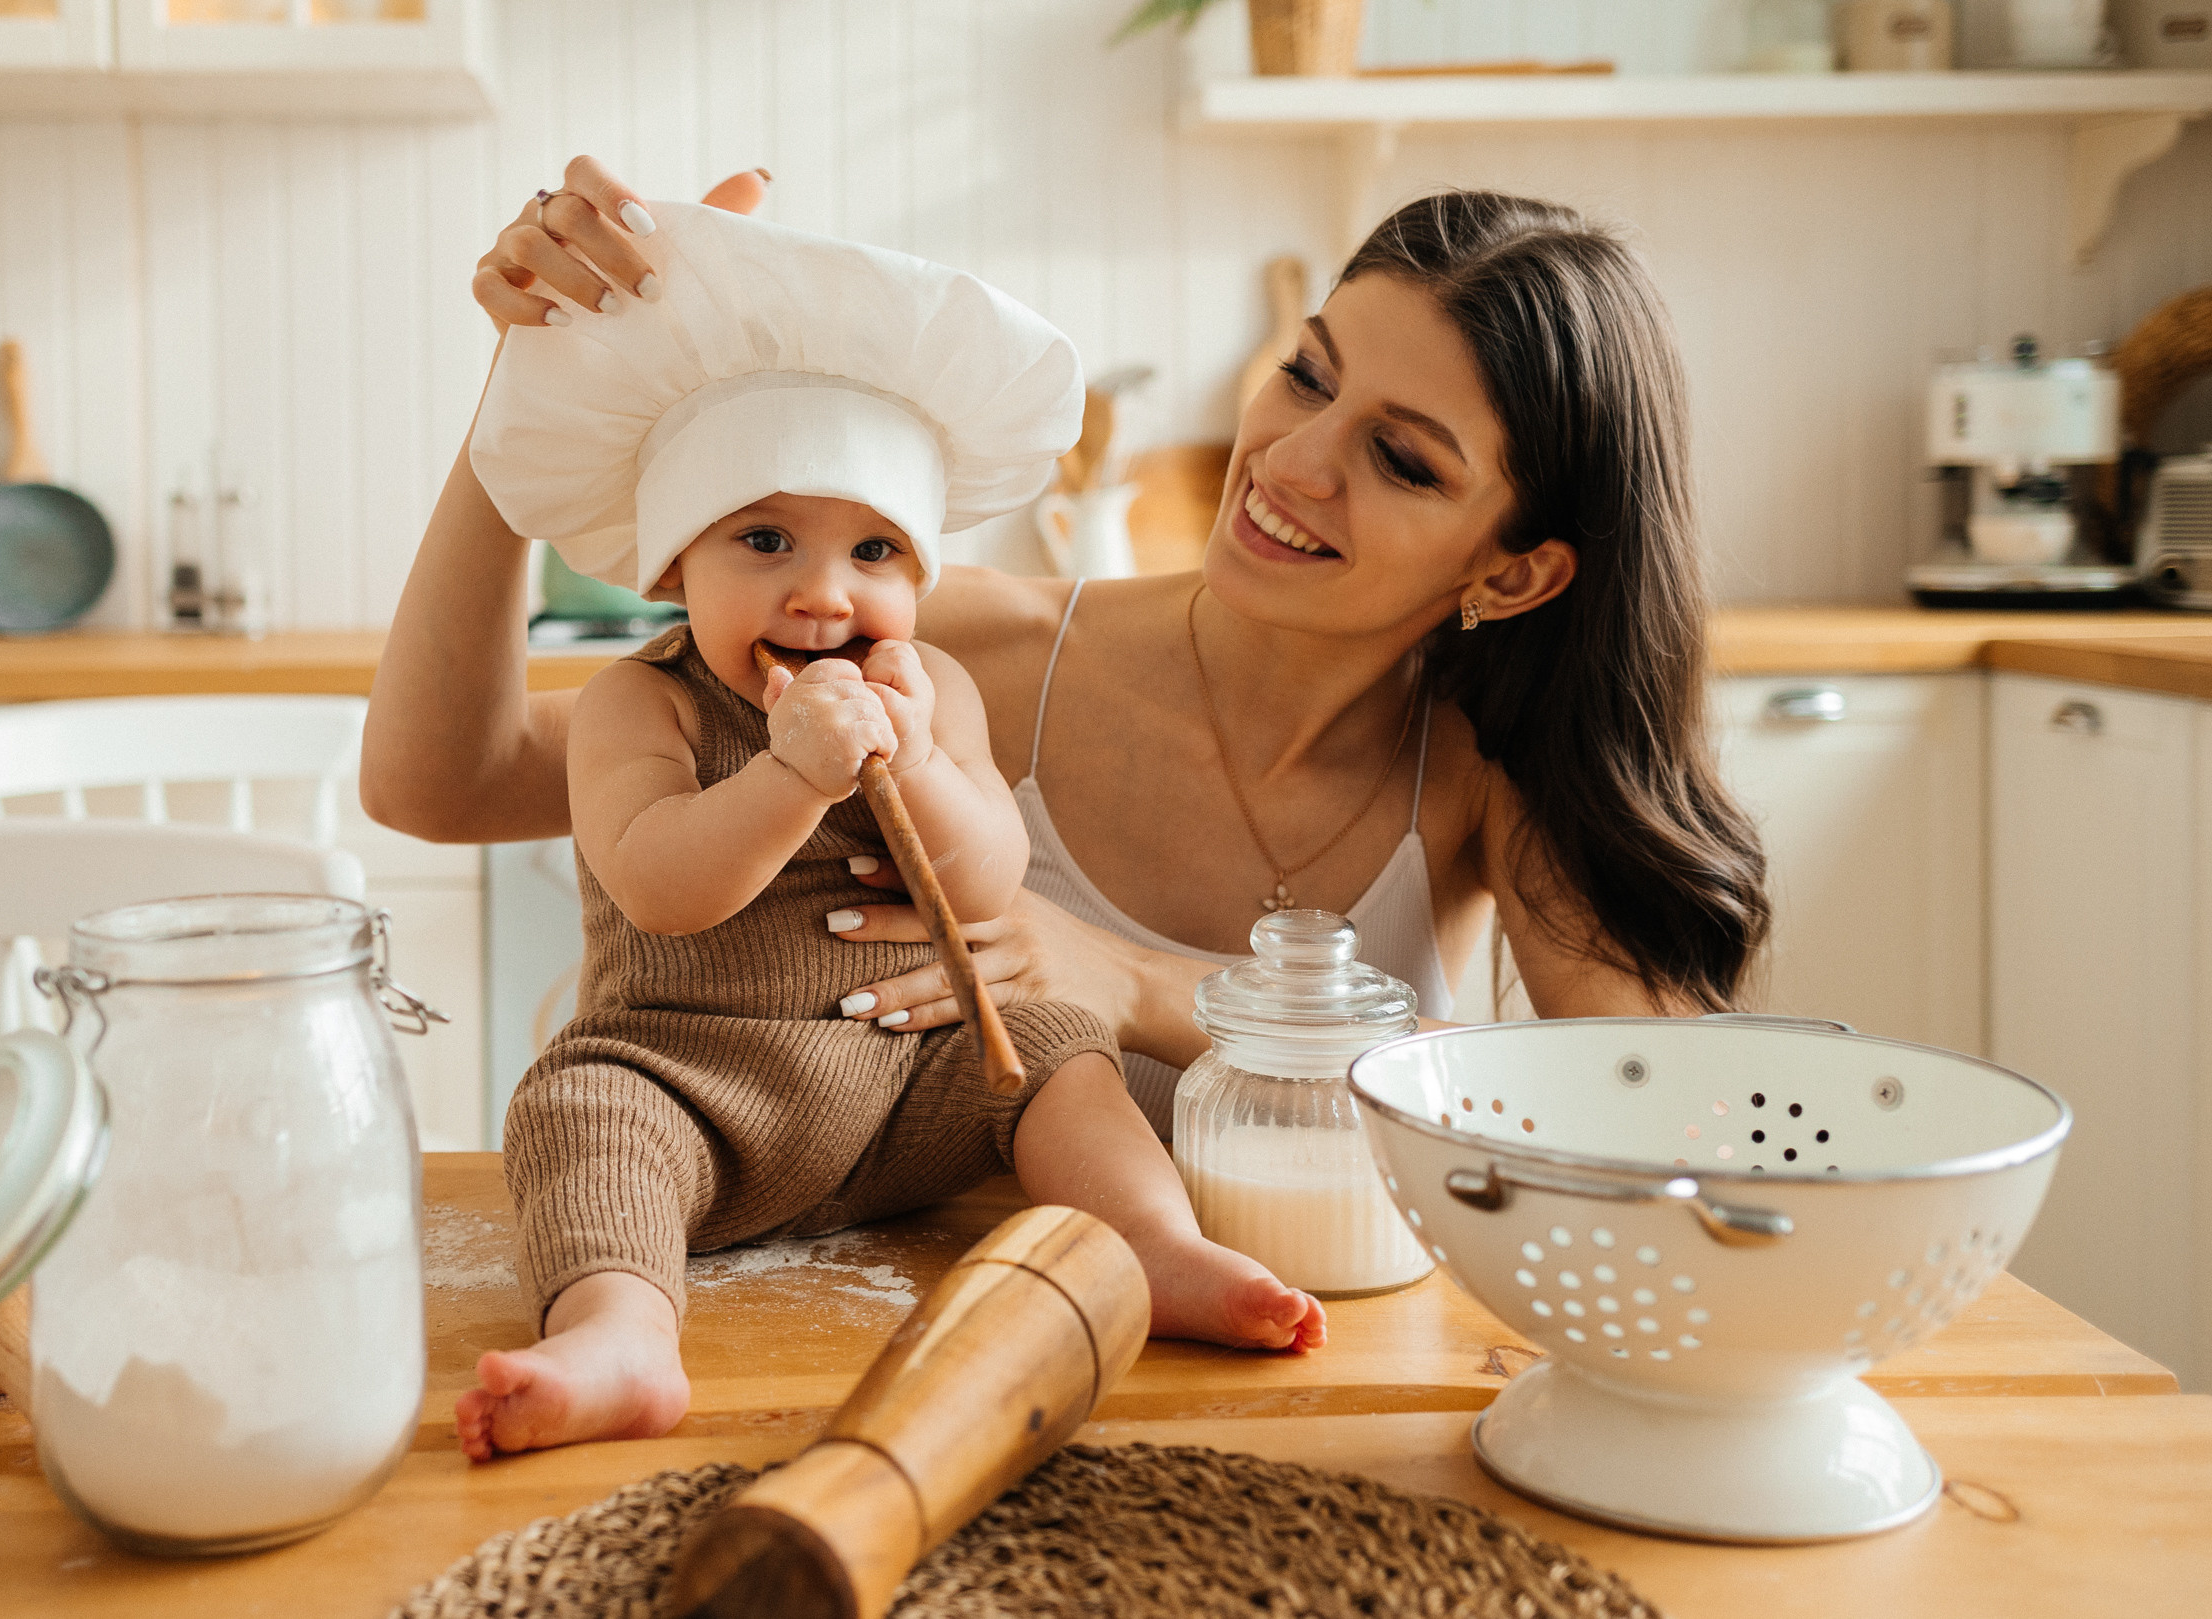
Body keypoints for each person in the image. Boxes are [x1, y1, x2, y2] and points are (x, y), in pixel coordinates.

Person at [367, 158, 1768, 1181]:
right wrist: (544, 378)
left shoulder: (1482, 772)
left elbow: (1656, 1111)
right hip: (968, 1333)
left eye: (1400, 457)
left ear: (1512, 569)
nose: (1287, 459)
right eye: (1307, 375)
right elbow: (445, 780)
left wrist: (1140, 981)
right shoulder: (957, 651)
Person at [450, 202, 1324, 1460]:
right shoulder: (633, 703)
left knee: (1055, 1039)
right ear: (670, 569)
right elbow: (658, 886)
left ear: (919, 581)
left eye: (875, 550)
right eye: (762, 540)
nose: (823, 589)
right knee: (574, 1110)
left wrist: (911, 760)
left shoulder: (941, 693)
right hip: (696, 1087)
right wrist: (792, 777)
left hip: (909, 1079)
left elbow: (987, 885)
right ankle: (622, 1331)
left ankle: (1154, 1244)